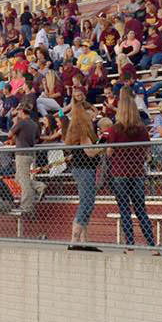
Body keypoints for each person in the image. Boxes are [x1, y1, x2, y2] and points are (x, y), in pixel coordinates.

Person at [103, 88, 154, 248]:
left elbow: (110, 152)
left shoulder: (115, 129)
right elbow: (147, 152)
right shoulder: (142, 130)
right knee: (141, 210)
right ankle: (151, 245)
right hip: (137, 172)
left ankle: (130, 244)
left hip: (119, 172)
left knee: (124, 210)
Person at [63, 97, 101, 249]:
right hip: (85, 168)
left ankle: (84, 241)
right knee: (86, 202)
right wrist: (105, 144)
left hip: (82, 168)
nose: (94, 115)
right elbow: (90, 152)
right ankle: (75, 240)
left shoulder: (76, 127)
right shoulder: (83, 129)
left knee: (87, 202)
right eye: (91, 112)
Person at [8, 106, 45, 214]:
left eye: (18, 111)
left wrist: (15, 122)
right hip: (29, 154)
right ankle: (39, 186)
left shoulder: (22, 122)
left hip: (21, 154)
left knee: (24, 181)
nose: (17, 114)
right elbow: (38, 138)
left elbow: (9, 134)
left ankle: (26, 206)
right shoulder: (34, 124)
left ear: (22, 112)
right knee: (18, 179)